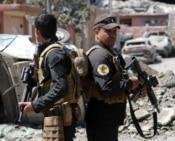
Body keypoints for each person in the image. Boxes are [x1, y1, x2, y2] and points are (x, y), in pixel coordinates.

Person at [84, 13, 145, 141]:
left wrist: (136, 88)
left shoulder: (111, 53)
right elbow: (106, 88)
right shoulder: (100, 56)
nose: (113, 35)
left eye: (114, 32)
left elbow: (119, 80)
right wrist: (129, 84)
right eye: (108, 31)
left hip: (108, 119)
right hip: (101, 120)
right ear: (96, 32)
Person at [18, 13, 78, 141]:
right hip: (56, 116)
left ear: (36, 31)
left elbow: (61, 87)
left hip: (61, 117)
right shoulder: (51, 51)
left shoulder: (54, 54)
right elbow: (48, 81)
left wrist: (35, 105)